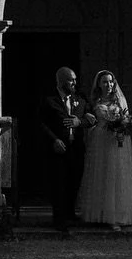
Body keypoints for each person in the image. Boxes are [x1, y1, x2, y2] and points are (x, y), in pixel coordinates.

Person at [75, 69, 132, 231]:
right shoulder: (94, 101)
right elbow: (91, 121)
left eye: (111, 81)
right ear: (99, 84)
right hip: (100, 141)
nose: (108, 84)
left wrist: (122, 130)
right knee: (101, 175)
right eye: (105, 82)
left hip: (117, 140)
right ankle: (99, 213)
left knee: (116, 176)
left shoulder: (119, 100)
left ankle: (116, 216)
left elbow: (126, 120)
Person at [38, 66, 95, 232]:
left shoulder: (80, 99)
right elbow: (41, 123)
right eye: (71, 80)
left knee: (74, 180)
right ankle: (59, 218)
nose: (74, 83)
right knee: (59, 183)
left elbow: (92, 119)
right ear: (61, 82)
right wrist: (54, 140)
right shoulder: (49, 99)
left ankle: (70, 214)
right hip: (58, 148)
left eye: (75, 80)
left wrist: (80, 122)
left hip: (75, 147)